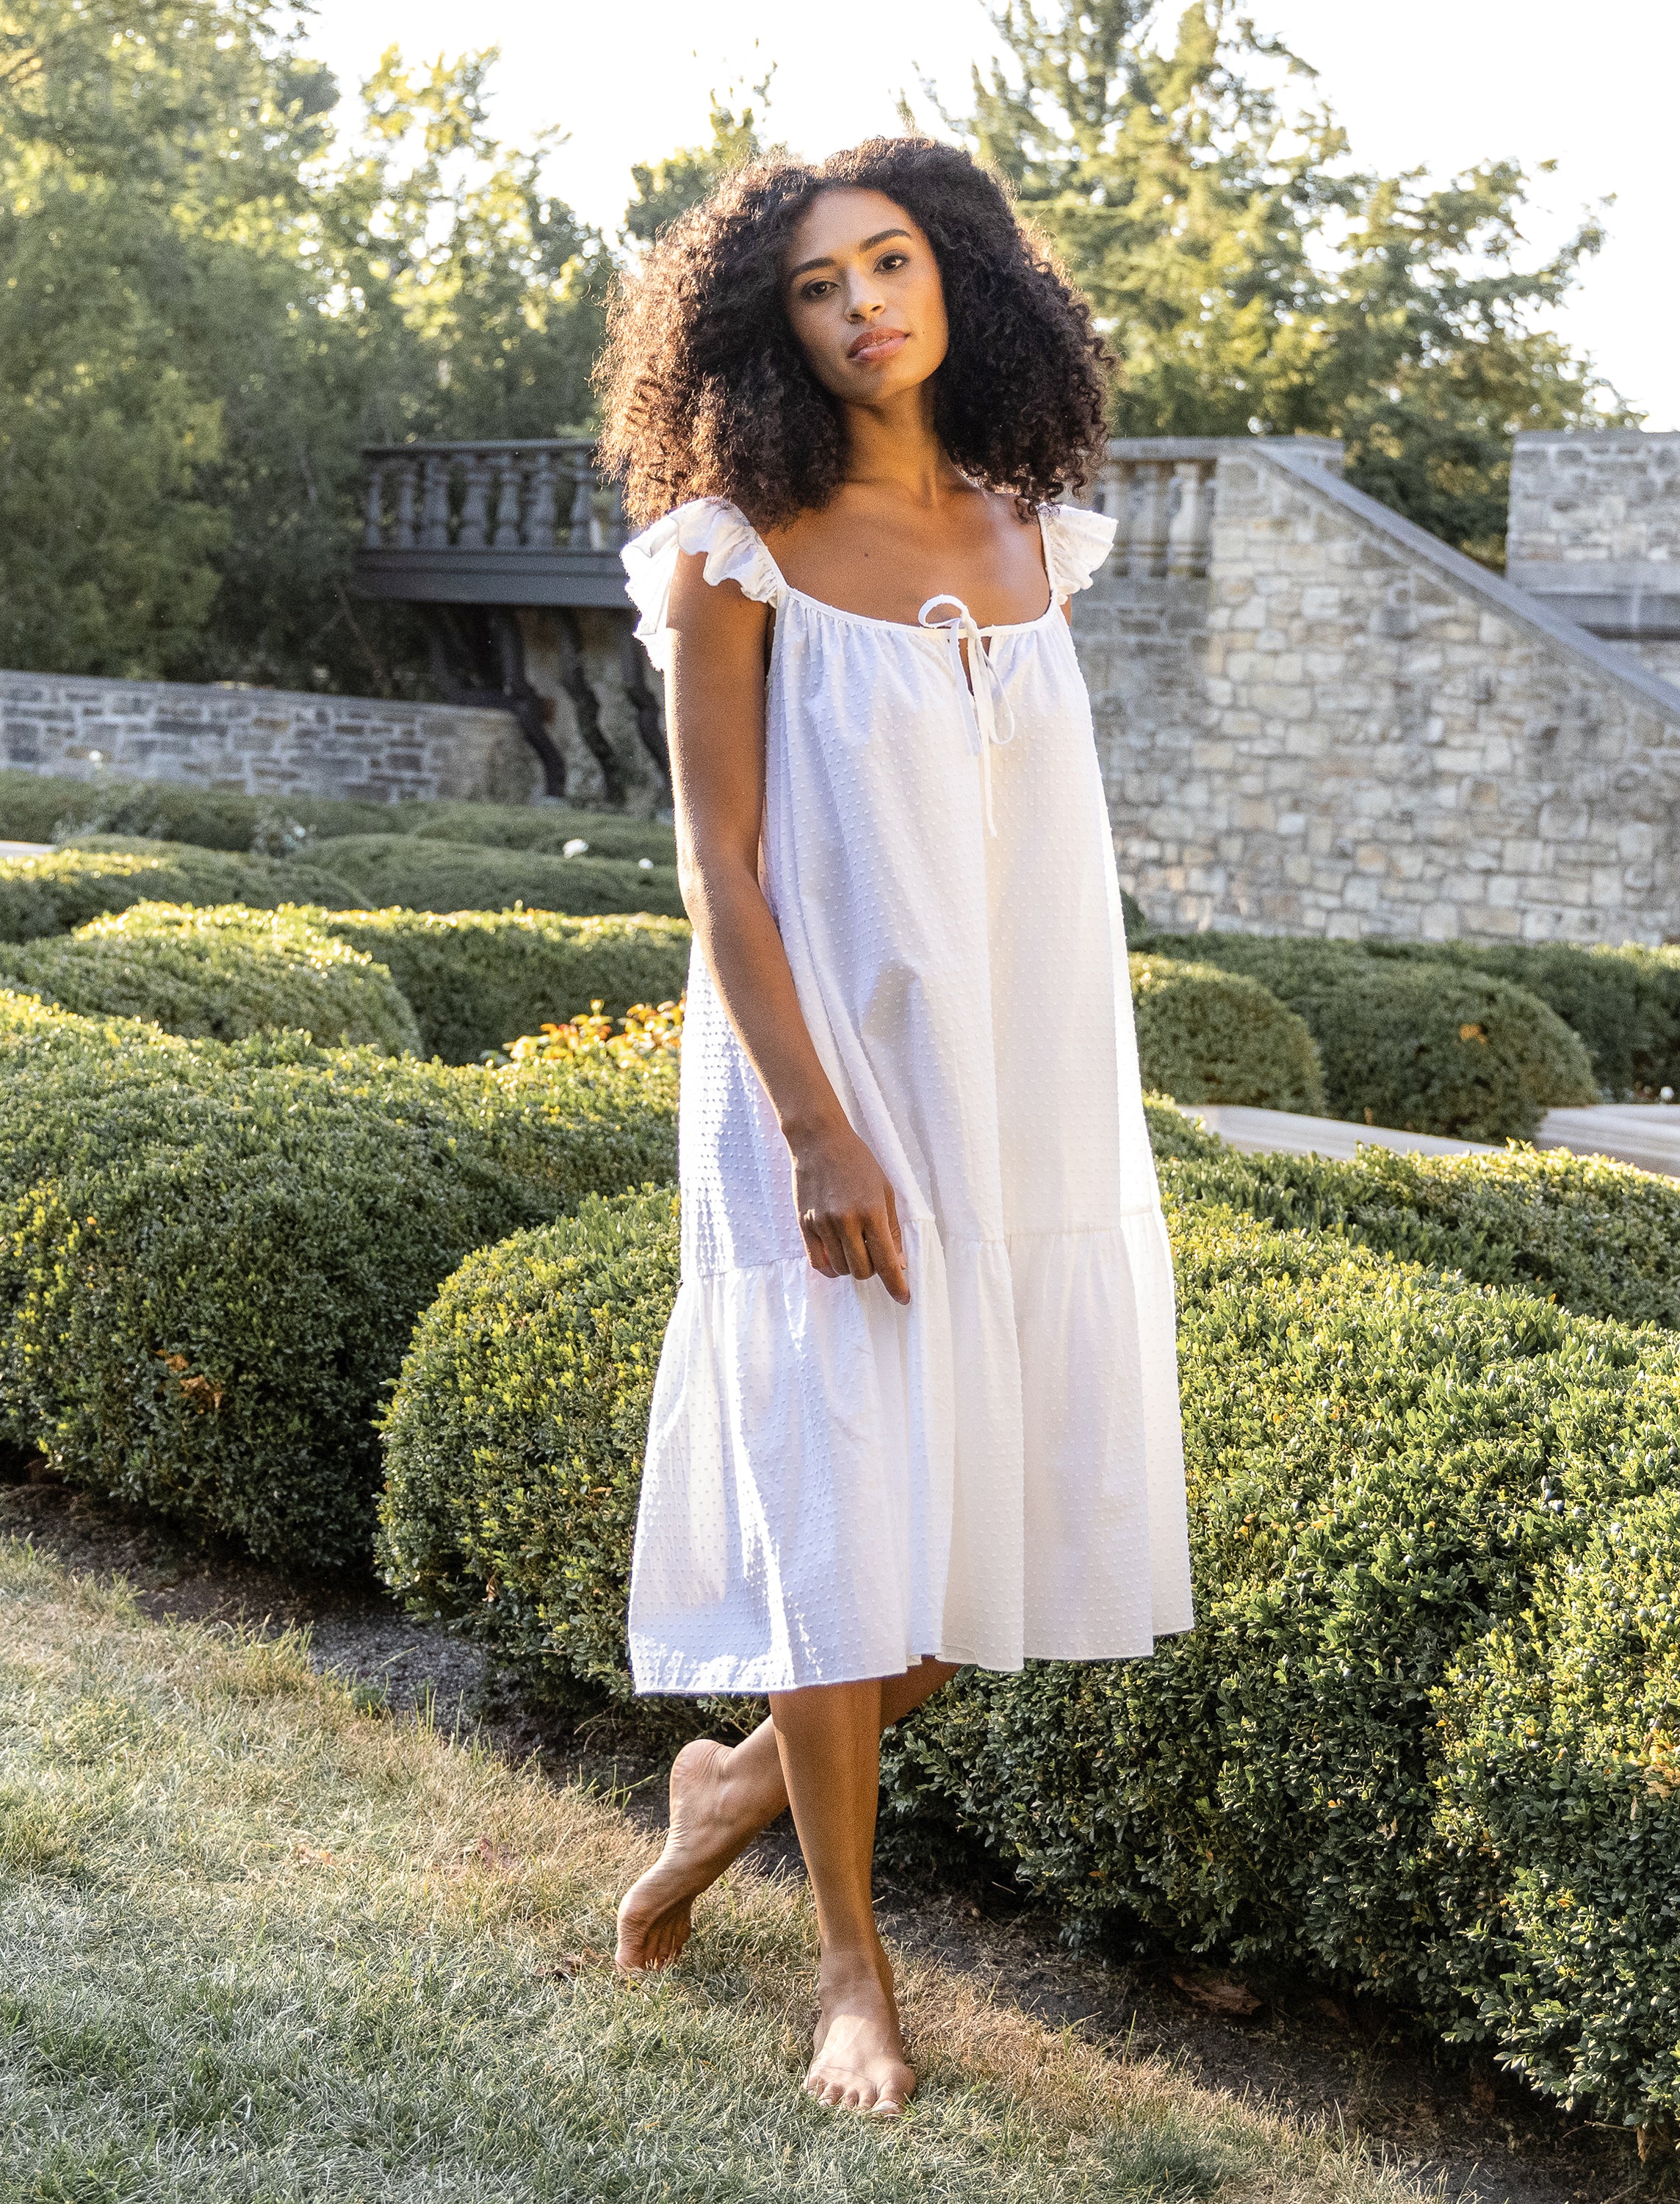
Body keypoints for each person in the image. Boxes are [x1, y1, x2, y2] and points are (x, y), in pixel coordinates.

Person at [596, 136, 1191, 2120]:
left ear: (963, 281)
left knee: (990, 1541)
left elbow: (1013, 850)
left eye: (892, 264)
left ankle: (730, 1787)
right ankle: (852, 1967)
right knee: (852, 1525)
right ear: (769, 337)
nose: (864, 308)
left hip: (1013, 1090)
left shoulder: (1033, 534)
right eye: (818, 289)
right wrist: (816, 1129)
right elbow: (724, 868)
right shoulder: (727, 549)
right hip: (821, 1090)